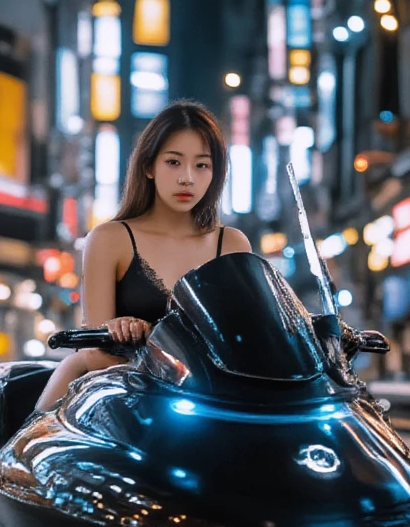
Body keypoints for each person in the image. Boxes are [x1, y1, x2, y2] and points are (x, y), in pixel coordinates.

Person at [37, 100, 251, 409]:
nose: (187, 178)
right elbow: (96, 352)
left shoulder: (232, 244)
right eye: (174, 162)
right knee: (32, 450)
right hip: (120, 398)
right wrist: (119, 332)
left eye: (202, 165)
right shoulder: (110, 239)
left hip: (212, 402)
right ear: (149, 166)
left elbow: (245, 341)